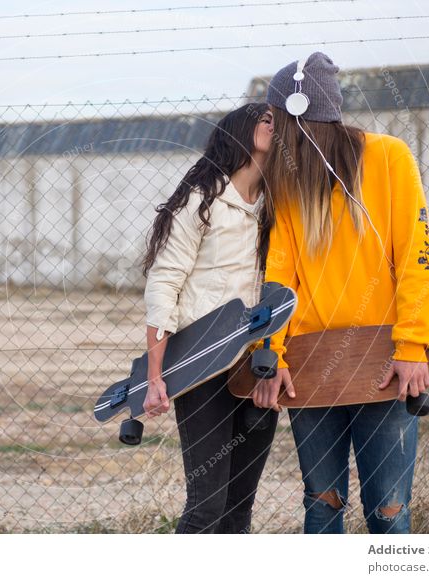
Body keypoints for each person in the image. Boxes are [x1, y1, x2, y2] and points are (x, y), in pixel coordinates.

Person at [252, 52, 429, 534]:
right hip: (311, 365)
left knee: (389, 511)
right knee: (322, 505)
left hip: (385, 362)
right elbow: (280, 275)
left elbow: (417, 256)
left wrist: (414, 344)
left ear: (306, 120)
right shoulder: (287, 182)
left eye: (279, 121)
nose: (272, 133)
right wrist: (270, 353)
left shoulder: (389, 158)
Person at [141, 102, 277, 534]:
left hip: (257, 365)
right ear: (238, 130)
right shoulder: (203, 200)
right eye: (264, 118)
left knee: (240, 507)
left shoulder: (277, 207)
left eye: (279, 120)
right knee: (207, 505)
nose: (274, 125)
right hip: (202, 366)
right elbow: (165, 282)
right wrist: (155, 374)